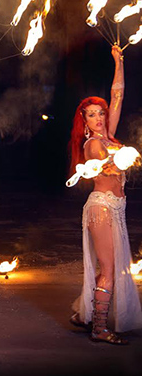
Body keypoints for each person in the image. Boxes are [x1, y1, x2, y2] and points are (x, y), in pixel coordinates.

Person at [68, 44, 142, 345]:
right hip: (102, 208)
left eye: (101, 113)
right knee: (109, 269)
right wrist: (124, 159)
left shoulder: (109, 137)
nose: (99, 118)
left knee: (109, 267)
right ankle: (99, 327)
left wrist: (118, 61)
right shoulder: (93, 146)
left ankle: (85, 313)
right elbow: (109, 168)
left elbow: (118, 95)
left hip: (116, 208)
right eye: (92, 115)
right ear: (84, 122)